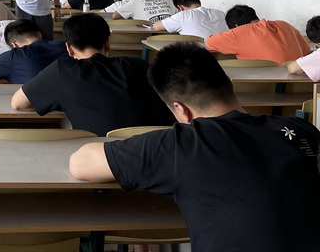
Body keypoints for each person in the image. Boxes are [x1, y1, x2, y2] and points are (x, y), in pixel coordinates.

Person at [69, 43, 320, 251]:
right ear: (230, 84)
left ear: (180, 109)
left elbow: (81, 164)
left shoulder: (178, 145)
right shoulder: (301, 129)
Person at [11, 13, 172, 136]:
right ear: (107, 43)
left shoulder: (62, 71)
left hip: (104, 156)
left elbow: (18, 103)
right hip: (157, 150)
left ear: (69, 49)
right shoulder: (139, 65)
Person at [0, 19, 67, 84]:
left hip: (36, 108)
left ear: (14, 45)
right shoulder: (67, 45)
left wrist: (6, 76)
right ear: (39, 35)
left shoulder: (14, 56)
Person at [205, 4, 309, 64]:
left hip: (262, 87)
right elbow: (306, 49)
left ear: (236, 26)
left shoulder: (240, 32)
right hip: (297, 84)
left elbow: (210, 42)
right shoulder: (284, 24)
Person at [151, 0, 227, 39]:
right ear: (199, 2)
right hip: (225, 56)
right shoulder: (221, 14)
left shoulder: (183, 16)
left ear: (180, 7)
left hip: (198, 56)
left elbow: (156, 26)